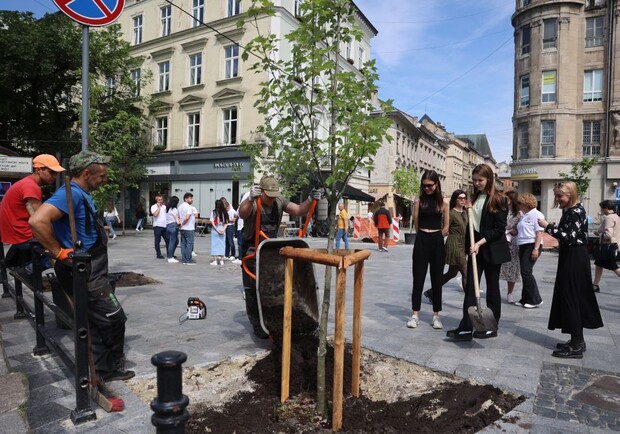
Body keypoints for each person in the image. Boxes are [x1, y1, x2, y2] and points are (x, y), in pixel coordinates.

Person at [29, 150, 134, 382]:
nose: (105, 179)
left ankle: (102, 370)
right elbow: (37, 220)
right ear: (87, 173)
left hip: (95, 269)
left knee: (98, 320)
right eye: (102, 176)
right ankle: (110, 367)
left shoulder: (81, 194)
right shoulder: (70, 194)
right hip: (85, 272)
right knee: (114, 316)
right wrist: (58, 251)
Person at [238, 176, 321, 338]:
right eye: (268, 195)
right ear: (260, 192)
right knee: (252, 287)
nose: (271, 198)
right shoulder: (253, 202)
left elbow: (298, 210)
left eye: (274, 195)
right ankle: (257, 321)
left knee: (274, 285)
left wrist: (310, 199)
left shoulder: (279, 201)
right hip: (252, 248)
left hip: (270, 247)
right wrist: (249, 198)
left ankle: (274, 317)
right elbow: (242, 213)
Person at [538, 181, 603, 358]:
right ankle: (577, 340)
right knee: (573, 296)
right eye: (556, 195)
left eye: (560, 195)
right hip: (573, 256)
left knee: (571, 297)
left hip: (574, 257)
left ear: (571, 194)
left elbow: (569, 238)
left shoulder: (574, 212)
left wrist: (547, 226)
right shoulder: (575, 210)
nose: (557, 199)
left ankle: (576, 346)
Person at [447, 163, 510, 341]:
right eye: (474, 180)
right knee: (470, 288)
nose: (476, 183)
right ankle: (466, 326)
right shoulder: (474, 198)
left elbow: (499, 229)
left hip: (492, 249)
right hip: (476, 250)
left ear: (489, 179)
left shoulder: (499, 200)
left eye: (480, 180)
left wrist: (480, 243)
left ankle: (491, 326)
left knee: (492, 288)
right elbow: (473, 226)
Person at [0, 154, 65, 268]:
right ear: (38, 170)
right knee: (63, 252)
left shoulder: (25, 183)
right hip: (25, 237)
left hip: (17, 234)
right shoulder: (31, 186)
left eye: (56, 173)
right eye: (51, 172)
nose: (54, 176)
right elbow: (41, 218)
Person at [408, 170, 449, 330]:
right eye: (424, 186)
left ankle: (436, 315)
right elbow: (416, 223)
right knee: (418, 278)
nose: (427, 189)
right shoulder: (419, 200)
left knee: (437, 279)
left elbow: (446, 225)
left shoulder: (444, 202)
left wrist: (438, 236)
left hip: (437, 241)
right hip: (422, 240)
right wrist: (424, 235)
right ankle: (415, 314)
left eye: (429, 185)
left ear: (436, 184)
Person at [424, 189, 468, 303]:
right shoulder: (452, 213)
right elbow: (445, 229)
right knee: (465, 272)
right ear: (455, 199)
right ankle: (470, 300)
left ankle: (432, 291)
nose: (463, 200)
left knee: (452, 273)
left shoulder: (466, 212)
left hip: (463, 244)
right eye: (460, 198)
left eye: (464, 198)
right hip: (454, 244)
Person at [515, 193, 544, 308]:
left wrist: (536, 249)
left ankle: (535, 299)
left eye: (520, 203)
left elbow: (539, 233)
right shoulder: (524, 215)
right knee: (524, 272)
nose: (519, 205)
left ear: (527, 203)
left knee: (526, 271)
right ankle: (525, 298)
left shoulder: (536, 214)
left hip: (532, 245)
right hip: (523, 244)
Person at [592, 200, 620, 290]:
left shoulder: (609, 218)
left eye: (602, 208)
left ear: (606, 208)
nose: (601, 210)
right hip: (615, 245)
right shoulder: (617, 217)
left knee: (613, 266)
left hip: (608, 246)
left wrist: (598, 234)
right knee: (599, 263)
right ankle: (595, 285)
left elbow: (608, 235)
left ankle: (595, 285)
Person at [499, 190, 521, 304]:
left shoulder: (518, 213)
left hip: (512, 243)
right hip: (499, 240)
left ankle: (509, 293)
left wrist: (512, 230)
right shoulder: (501, 209)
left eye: (506, 198)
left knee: (512, 269)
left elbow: (509, 225)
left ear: (511, 200)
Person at [178, 192, 197, 265]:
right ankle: (188, 260)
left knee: (183, 244)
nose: (192, 200)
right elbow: (187, 217)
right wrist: (183, 223)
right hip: (189, 228)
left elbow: (178, 216)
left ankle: (184, 259)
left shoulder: (180, 206)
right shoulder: (189, 207)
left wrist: (180, 224)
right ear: (186, 199)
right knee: (189, 244)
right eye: (190, 198)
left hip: (182, 228)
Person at [210, 199, 228, 265]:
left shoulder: (214, 212)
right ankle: (222, 260)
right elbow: (226, 223)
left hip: (216, 228)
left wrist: (216, 229)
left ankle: (215, 260)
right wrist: (223, 229)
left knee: (214, 244)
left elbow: (212, 221)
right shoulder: (225, 212)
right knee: (222, 244)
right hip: (222, 228)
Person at [150, 194, 168, 259]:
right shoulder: (153, 206)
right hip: (157, 226)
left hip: (164, 225)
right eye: (159, 200)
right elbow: (155, 214)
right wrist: (158, 207)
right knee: (157, 241)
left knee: (167, 240)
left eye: (161, 199)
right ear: (156, 200)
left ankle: (169, 253)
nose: (160, 201)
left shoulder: (164, 207)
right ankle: (158, 254)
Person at [165, 196, 180, 263]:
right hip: (173, 226)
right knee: (172, 242)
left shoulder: (167, 209)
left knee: (176, 241)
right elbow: (177, 220)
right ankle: (170, 257)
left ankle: (170, 255)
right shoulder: (175, 210)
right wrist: (180, 223)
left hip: (168, 226)